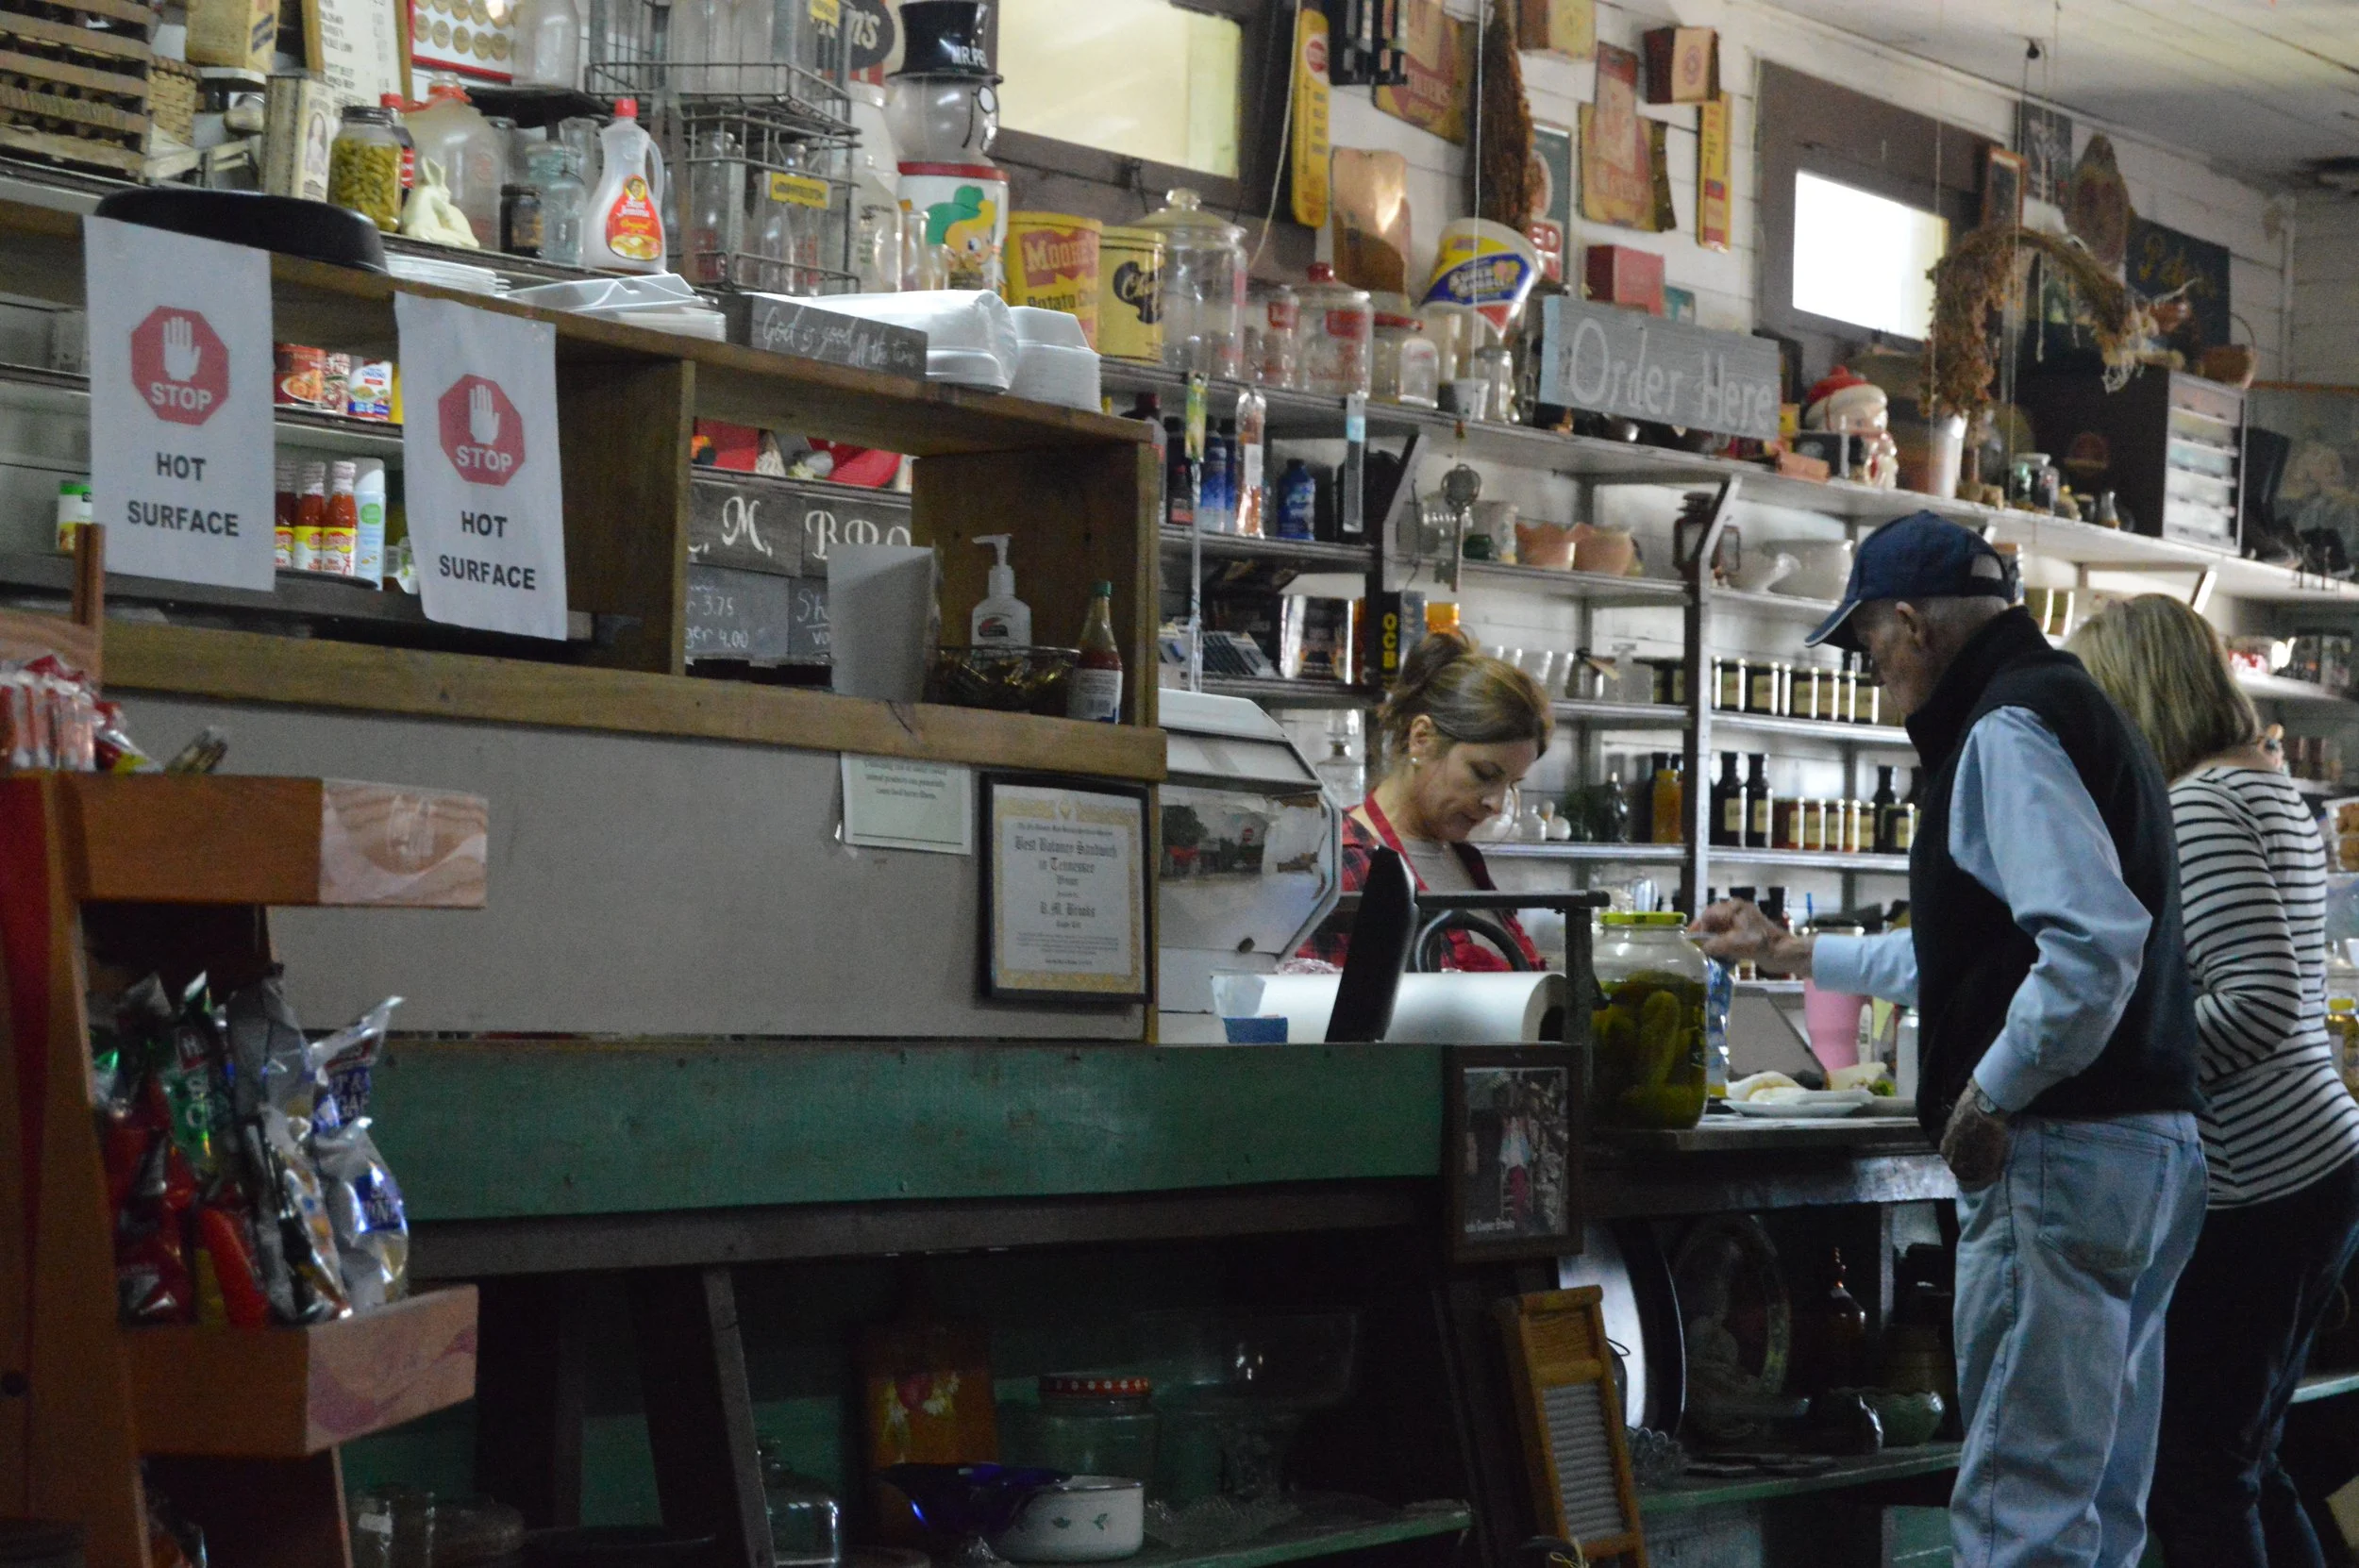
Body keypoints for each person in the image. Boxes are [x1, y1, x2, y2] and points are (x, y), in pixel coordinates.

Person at [1691, 513, 2205, 1568]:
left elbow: (2090, 948)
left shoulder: (2006, 731)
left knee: (2024, 1514)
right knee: (2097, 1506)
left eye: (1869, 648)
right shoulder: (2072, 706)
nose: (1872, 677)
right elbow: (1990, 954)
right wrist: (1799, 955)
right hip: (2146, 1148)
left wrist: (1992, 1092)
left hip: (2058, 1156)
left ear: (1914, 625)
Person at [2070, 594, 2359, 1568]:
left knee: (2194, 1470)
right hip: (2305, 1172)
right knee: (2240, 1459)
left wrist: (2122, 1048)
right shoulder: (2264, 787)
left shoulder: (2198, 805)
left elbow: (2259, 1001)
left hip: (2261, 1187)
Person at [1297, 631, 1552, 969]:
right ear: (1421, 739)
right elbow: (1316, 1013)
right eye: (1484, 773)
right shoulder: (1342, 864)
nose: (1497, 804)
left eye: (1512, 784)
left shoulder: (1464, 862)